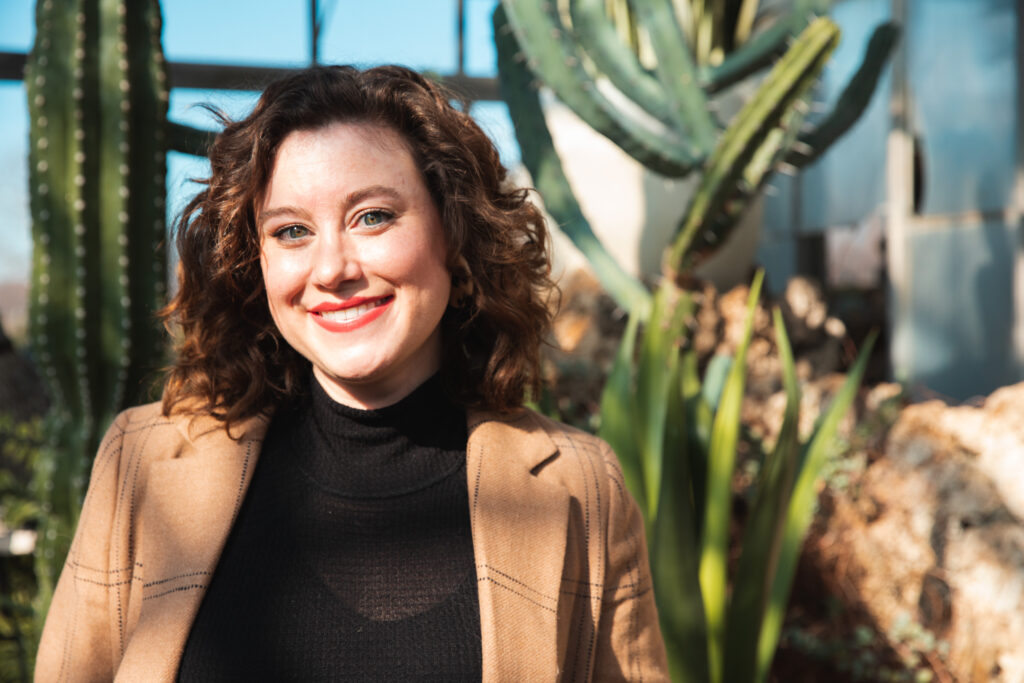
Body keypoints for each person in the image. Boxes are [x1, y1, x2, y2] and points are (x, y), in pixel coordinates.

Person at [35, 65, 668, 681]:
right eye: (291, 231)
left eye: (373, 216)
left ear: (454, 233)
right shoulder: (140, 464)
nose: (332, 268)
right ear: (253, 264)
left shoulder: (582, 487)